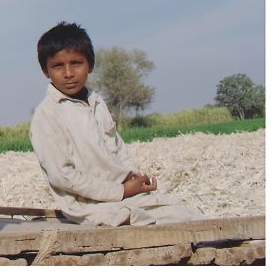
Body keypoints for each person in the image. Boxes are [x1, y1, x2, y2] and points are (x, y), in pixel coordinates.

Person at [30, 21, 203, 226]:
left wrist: (135, 178)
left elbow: (117, 147)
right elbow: (62, 176)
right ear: (45, 71)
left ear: (90, 65)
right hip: (89, 206)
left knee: (183, 213)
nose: (68, 73)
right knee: (172, 221)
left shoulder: (96, 101)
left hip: (123, 194)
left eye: (76, 63)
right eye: (58, 66)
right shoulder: (48, 115)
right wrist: (121, 191)